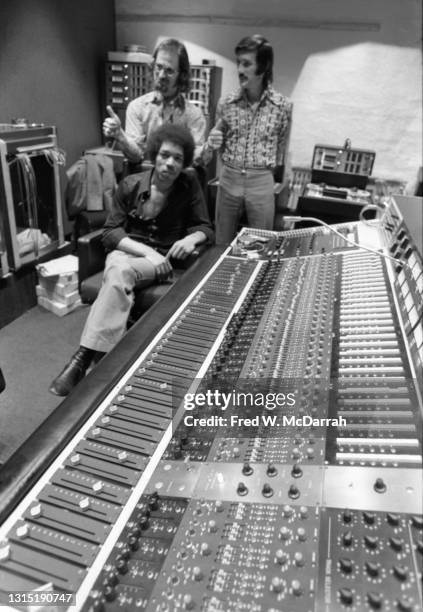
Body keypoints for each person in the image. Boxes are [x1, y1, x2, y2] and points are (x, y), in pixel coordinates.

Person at [49, 124, 214, 397]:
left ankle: (83, 358)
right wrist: (145, 251)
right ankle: (100, 361)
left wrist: (191, 238)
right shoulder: (130, 184)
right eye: (164, 155)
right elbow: (111, 232)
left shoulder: (189, 185)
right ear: (154, 154)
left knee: (117, 270)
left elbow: (206, 228)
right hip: (130, 252)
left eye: (177, 158)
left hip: (159, 261)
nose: (169, 163)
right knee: (117, 266)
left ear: (184, 163)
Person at [205, 35, 293, 245]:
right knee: (222, 244)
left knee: (261, 245)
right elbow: (214, 149)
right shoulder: (226, 103)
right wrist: (212, 143)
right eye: (239, 63)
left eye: (246, 64)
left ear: (263, 66)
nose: (240, 70)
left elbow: (281, 149)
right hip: (229, 178)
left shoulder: (282, 106)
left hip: (262, 181)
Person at [103, 38, 207, 165]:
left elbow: (194, 161)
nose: (161, 75)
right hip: (144, 180)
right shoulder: (137, 107)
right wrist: (120, 136)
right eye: (159, 67)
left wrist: (206, 151)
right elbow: (136, 156)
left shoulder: (194, 115)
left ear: (182, 75)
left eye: (169, 71)